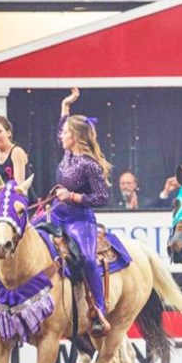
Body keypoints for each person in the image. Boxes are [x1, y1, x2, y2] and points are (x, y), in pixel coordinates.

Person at [52, 88, 114, 335]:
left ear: (75, 137)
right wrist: (65, 106)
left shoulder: (90, 164)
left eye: (66, 133)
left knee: (88, 259)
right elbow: (60, 126)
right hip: (57, 213)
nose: (61, 135)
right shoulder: (67, 152)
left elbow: (102, 197)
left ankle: (98, 310)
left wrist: (73, 196)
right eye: (64, 131)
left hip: (79, 220)